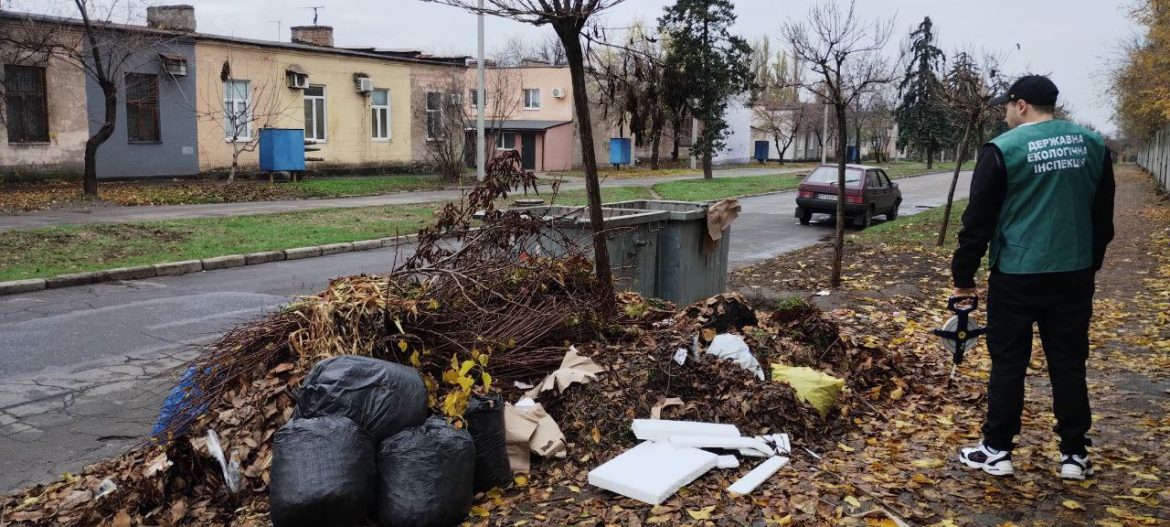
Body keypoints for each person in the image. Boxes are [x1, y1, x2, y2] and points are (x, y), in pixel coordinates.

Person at [950, 75, 1115, 480]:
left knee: (1009, 362)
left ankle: (997, 451)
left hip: (1017, 275)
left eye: (1007, 107)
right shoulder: (1094, 146)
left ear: (1020, 105)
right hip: (1073, 273)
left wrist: (964, 275)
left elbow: (979, 220)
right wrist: (1089, 264)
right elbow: (1102, 218)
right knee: (1069, 362)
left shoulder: (1003, 149)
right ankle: (1074, 455)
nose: (1005, 114)